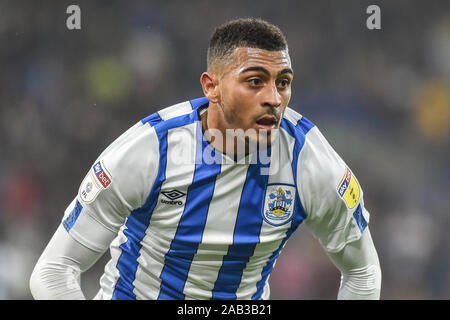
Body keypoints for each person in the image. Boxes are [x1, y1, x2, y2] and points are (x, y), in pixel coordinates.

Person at [29, 18, 381, 300]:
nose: (274, 98)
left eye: (283, 82)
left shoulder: (312, 164)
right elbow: (54, 270)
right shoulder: (148, 152)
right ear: (211, 87)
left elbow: (362, 273)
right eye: (255, 81)